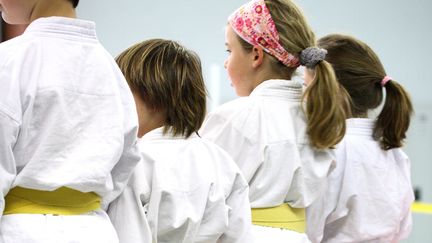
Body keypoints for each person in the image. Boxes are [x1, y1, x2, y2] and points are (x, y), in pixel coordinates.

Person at [199, 0, 347, 242]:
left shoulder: (234, 117)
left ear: (256, 55)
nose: (226, 62)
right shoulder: (319, 118)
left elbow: (201, 201)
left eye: (230, 51)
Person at [0, 0, 142, 242]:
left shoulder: (10, 60)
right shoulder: (110, 69)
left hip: (22, 232)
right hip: (95, 230)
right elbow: (126, 159)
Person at [107, 39, 252, 243]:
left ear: (151, 96)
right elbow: (239, 236)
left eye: (124, 94)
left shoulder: (134, 162)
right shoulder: (222, 161)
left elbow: (126, 235)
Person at [306, 34, 414, 243]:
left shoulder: (332, 151)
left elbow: (308, 230)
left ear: (331, 90)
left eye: (307, 87)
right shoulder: (395, 154)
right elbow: (403, 227)